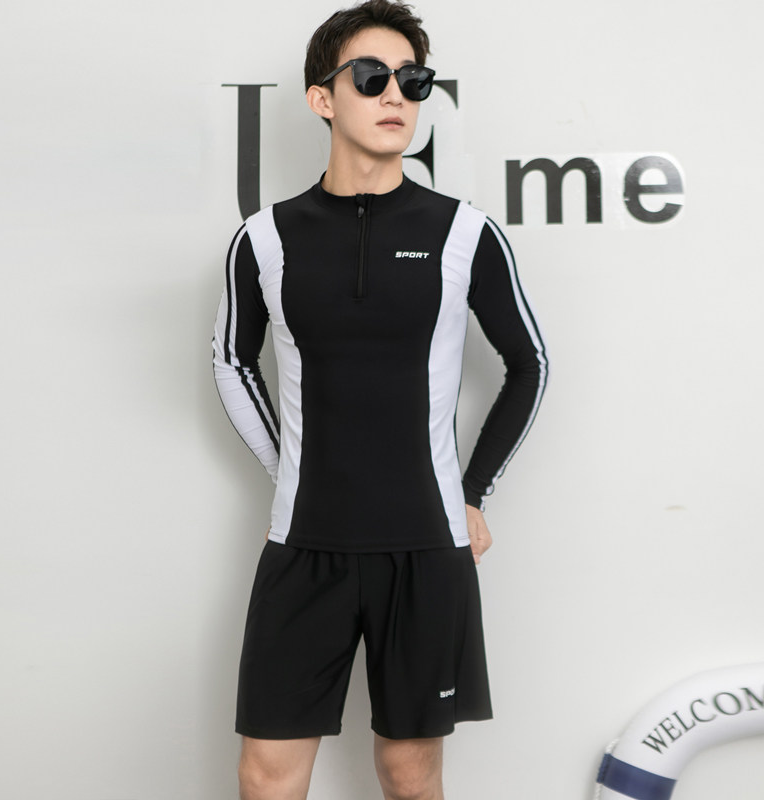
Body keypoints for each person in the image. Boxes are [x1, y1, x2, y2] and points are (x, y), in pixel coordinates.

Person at [212, 1, 548, 797]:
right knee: (266, 775)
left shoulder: (463, 233)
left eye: (413, 79)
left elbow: (528, 363)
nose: (396, 94)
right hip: (305, 545)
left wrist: (472, 491)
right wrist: (289, 470)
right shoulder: (265, 238)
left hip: (425, 549)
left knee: (409, 773)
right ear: (322, 98)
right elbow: (231, 360)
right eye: (371, 77)